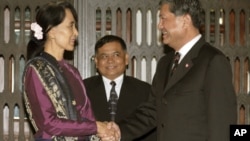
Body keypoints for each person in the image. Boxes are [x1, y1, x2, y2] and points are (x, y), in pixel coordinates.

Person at [114, 0, 237, 141]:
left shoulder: (212, 61)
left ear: (185, 20)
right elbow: (152, 111)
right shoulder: (165, 63)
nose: (159, 26)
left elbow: (222, 125)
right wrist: (118, 131)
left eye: (163, 18)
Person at [22, 1, 117, 141]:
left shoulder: (73, 71)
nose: (76, 32)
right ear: (52, 31)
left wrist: (103, 134)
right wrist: (96, 127)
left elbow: (87, 117)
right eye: (71, 26)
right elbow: (49, 124)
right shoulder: (35, 69)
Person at [83, 35, 157, 141]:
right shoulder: (82, 89)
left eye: (116, 55)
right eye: (104, 56)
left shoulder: (145, 91)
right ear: (96, 62)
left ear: (126, 59)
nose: (110, 60)